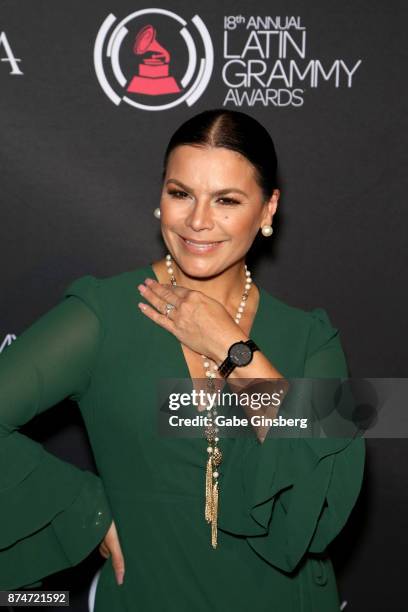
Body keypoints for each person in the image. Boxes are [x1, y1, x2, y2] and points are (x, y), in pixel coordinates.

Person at [0, 109, 365, 611]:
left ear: (267, 209)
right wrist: (82, 510)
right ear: (161, 197)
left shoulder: (309, 335)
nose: (198, 220)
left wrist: (233, 349)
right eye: (181, 193)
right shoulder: (102, 317)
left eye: (227, 200)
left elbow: (329, 484)